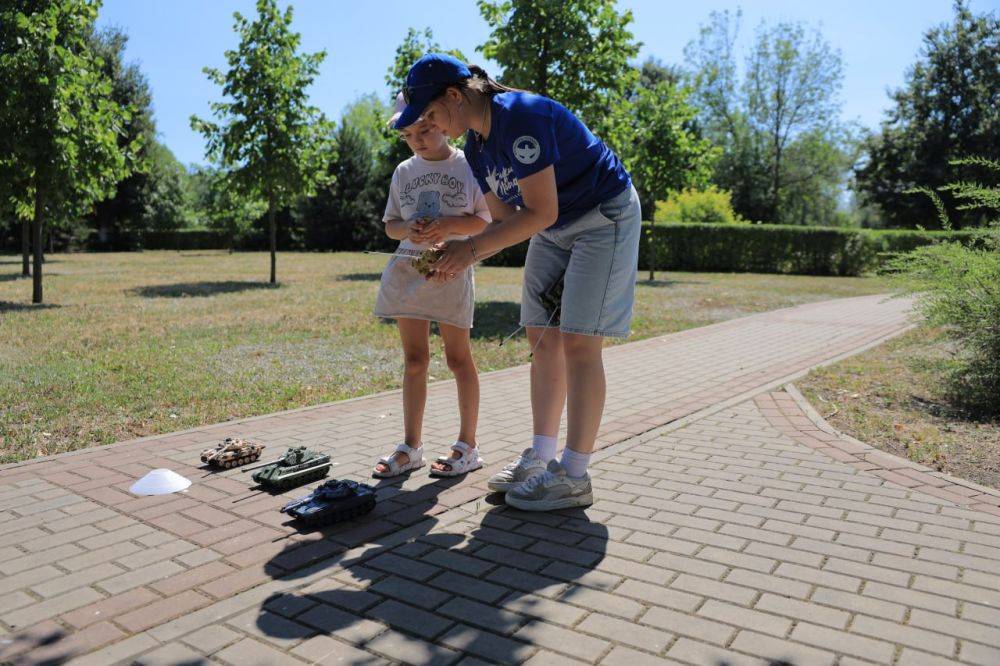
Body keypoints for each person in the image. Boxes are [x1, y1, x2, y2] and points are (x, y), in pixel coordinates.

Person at [393, 54, 641, 511]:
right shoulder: (481, 149)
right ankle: (540, 457)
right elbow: (509, 220)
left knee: (579, 340)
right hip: (552, 227)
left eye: (430, 115)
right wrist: (455, 242)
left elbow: (539, 211)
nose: (434, 129)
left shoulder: (520, 116)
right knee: (541, 336)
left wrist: (469, 251)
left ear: (453, 95)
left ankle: (574, 474)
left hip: (602, 216)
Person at [373, 93, 492, 479]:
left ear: (442, 121)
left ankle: (468, 445)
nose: (419, 139)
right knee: (415, 360)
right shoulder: (404, 172)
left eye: (425, 128)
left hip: (452, 270)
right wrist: (407, 228)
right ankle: (411, 446)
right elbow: (391, 225)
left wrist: (448, 225)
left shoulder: (468, 166)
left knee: (458, 359)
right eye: (409, 134)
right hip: (410, 272)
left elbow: (485, 221)